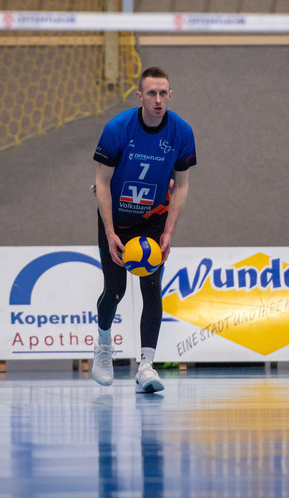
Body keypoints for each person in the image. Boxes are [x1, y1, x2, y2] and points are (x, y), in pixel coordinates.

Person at [91, 66, 197, 393]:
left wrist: (168, 231)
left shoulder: (181, 132)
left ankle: (146, 366)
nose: (158, 99)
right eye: (151, 93)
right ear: (140, 96)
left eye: (163, 92)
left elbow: (181, 185)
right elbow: (102, 182)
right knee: (116, 291)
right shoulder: (118, 128)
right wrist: (110, 232)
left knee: (152, 288)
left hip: (153, 218)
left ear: (170, 95)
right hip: (118, 220)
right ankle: (104, 344)